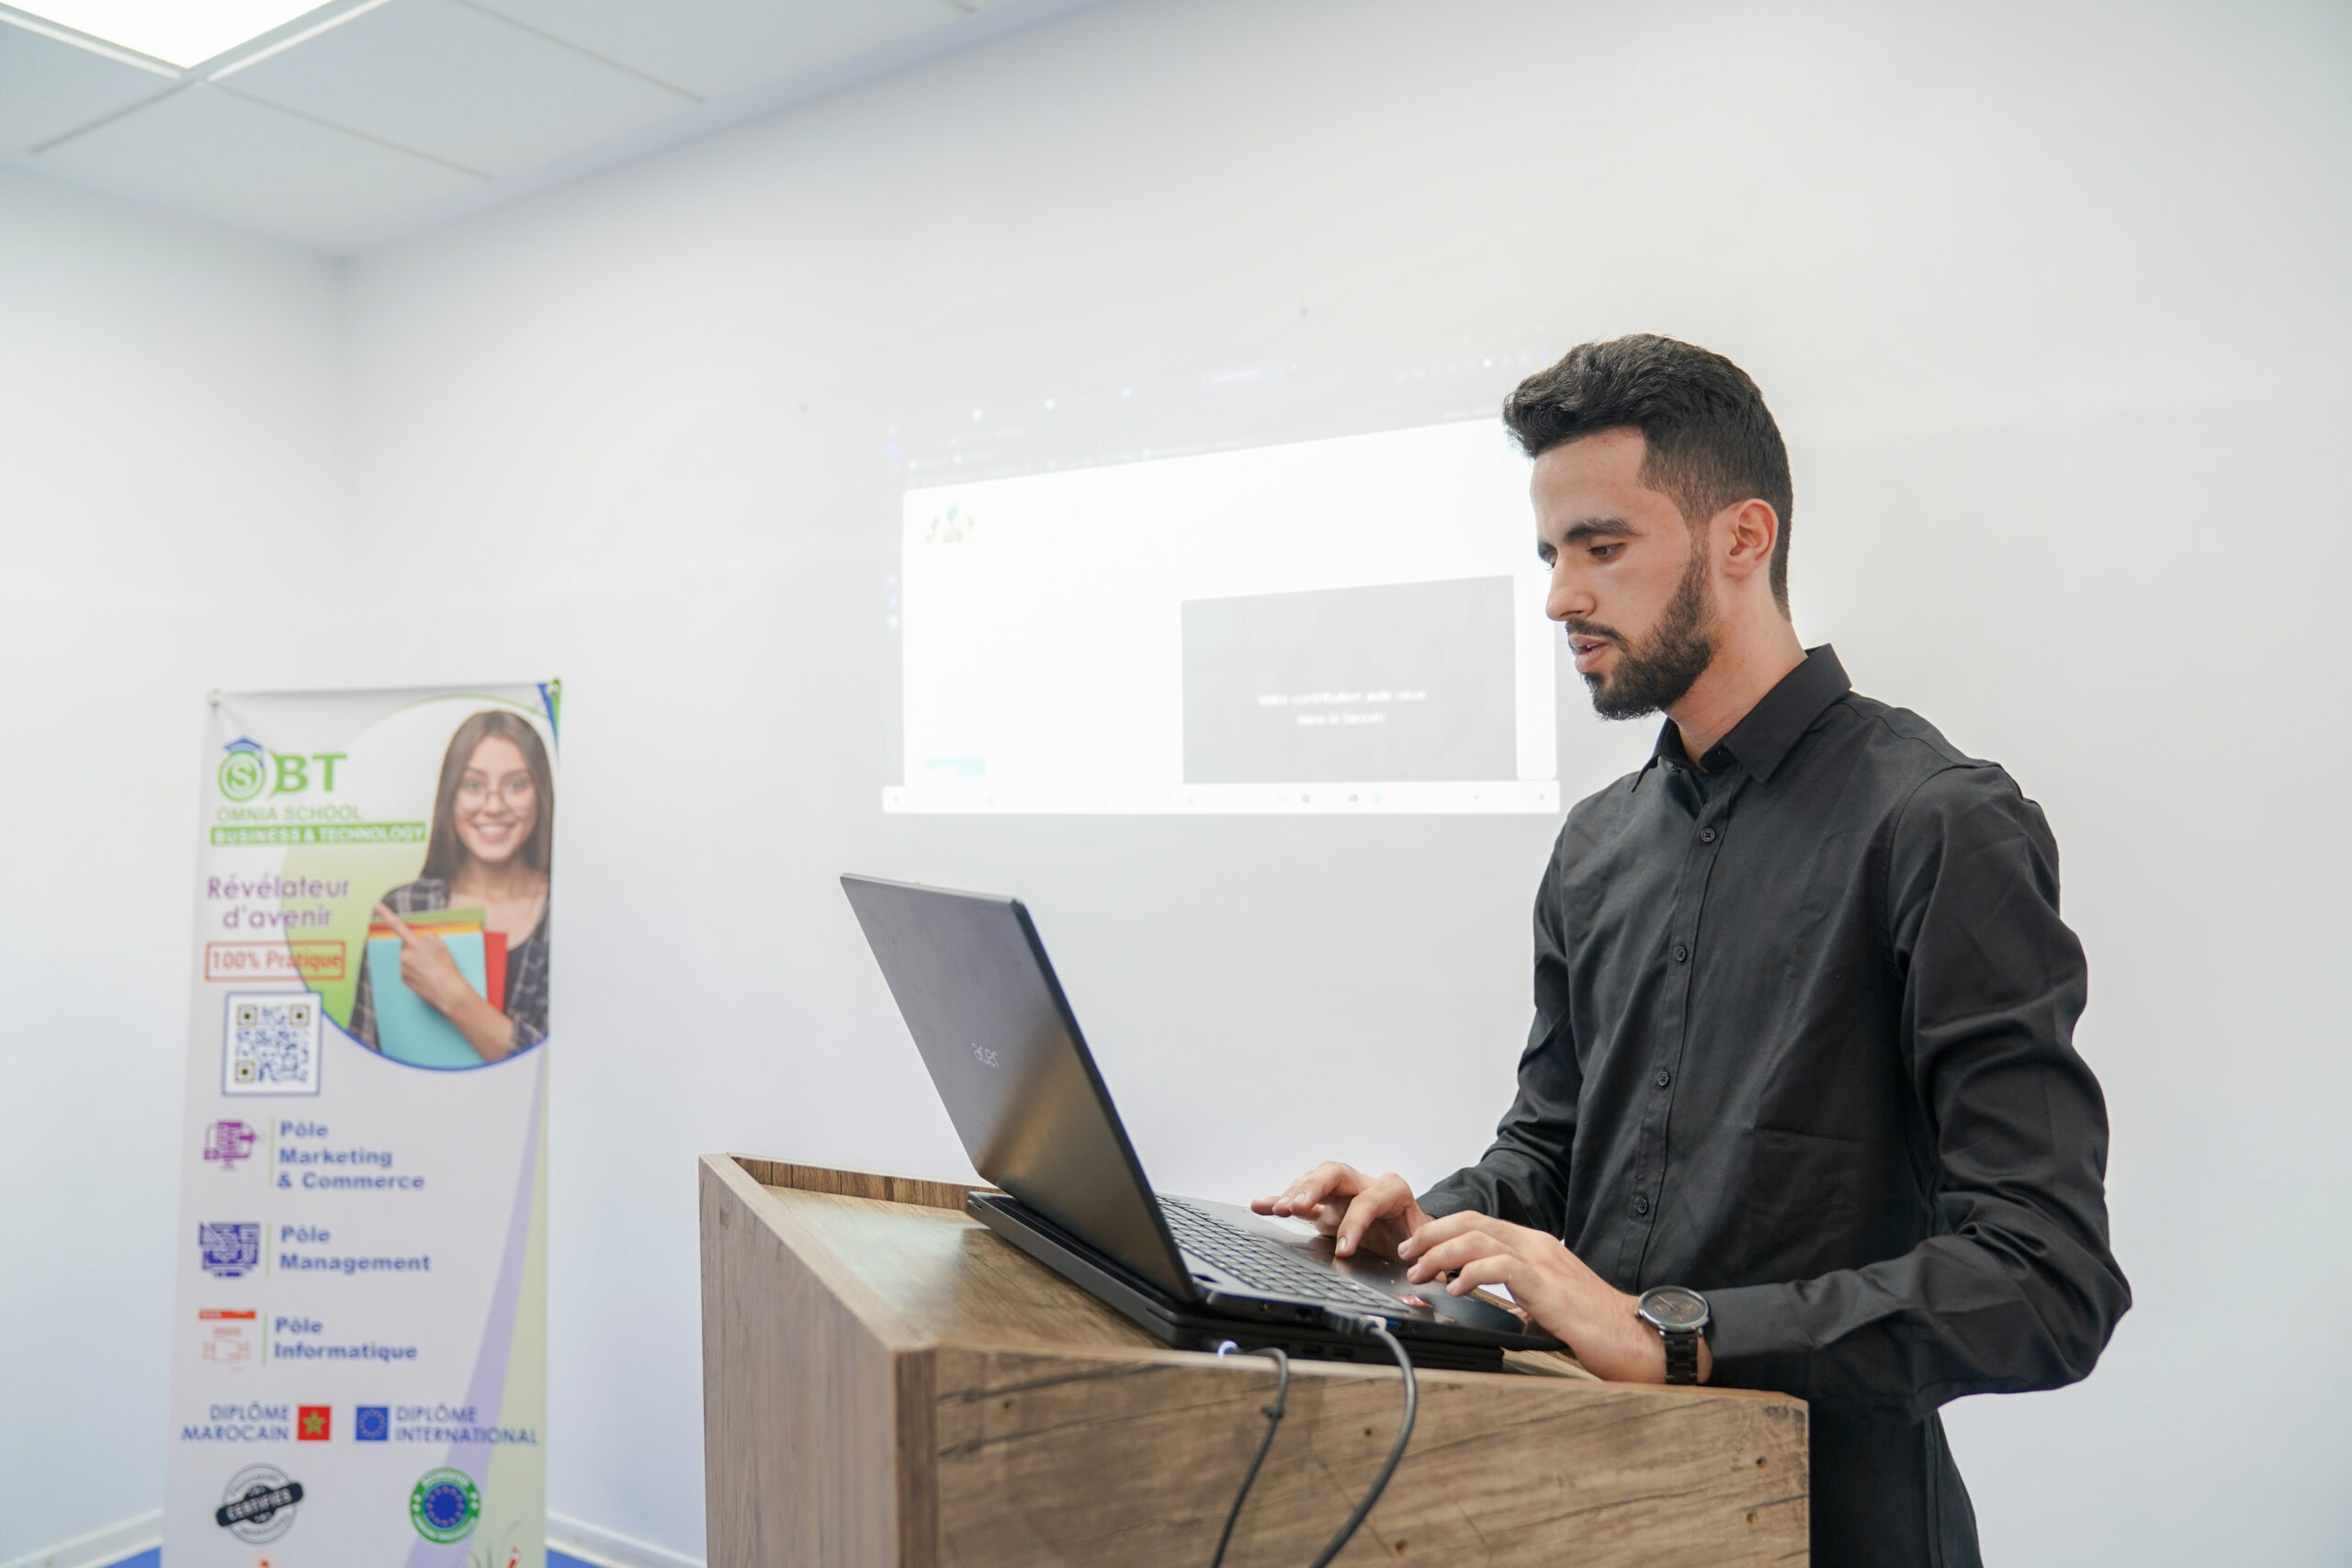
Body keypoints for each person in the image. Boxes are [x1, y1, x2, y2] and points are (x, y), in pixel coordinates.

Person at [1253, 335, 2129, 1566]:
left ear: (1743, 538)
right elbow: (1554, 1149)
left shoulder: (1937, 822)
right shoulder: (1596, 844)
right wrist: (1434, 1222)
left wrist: (1676, 1333)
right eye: (1552, 554)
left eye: (1602, 547)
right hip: (1596, 1510)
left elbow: (2045, 1280)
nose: (1562, 596)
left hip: (1840, 1530)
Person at [353, 709, 554, 1064]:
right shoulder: (405, 908)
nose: (494, 806)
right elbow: (363, 1058)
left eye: (517, 785)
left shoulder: (568, 914)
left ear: (541, 794)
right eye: (474, 785)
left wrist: (453, 993)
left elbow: (563, 1070)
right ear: (450, 795)